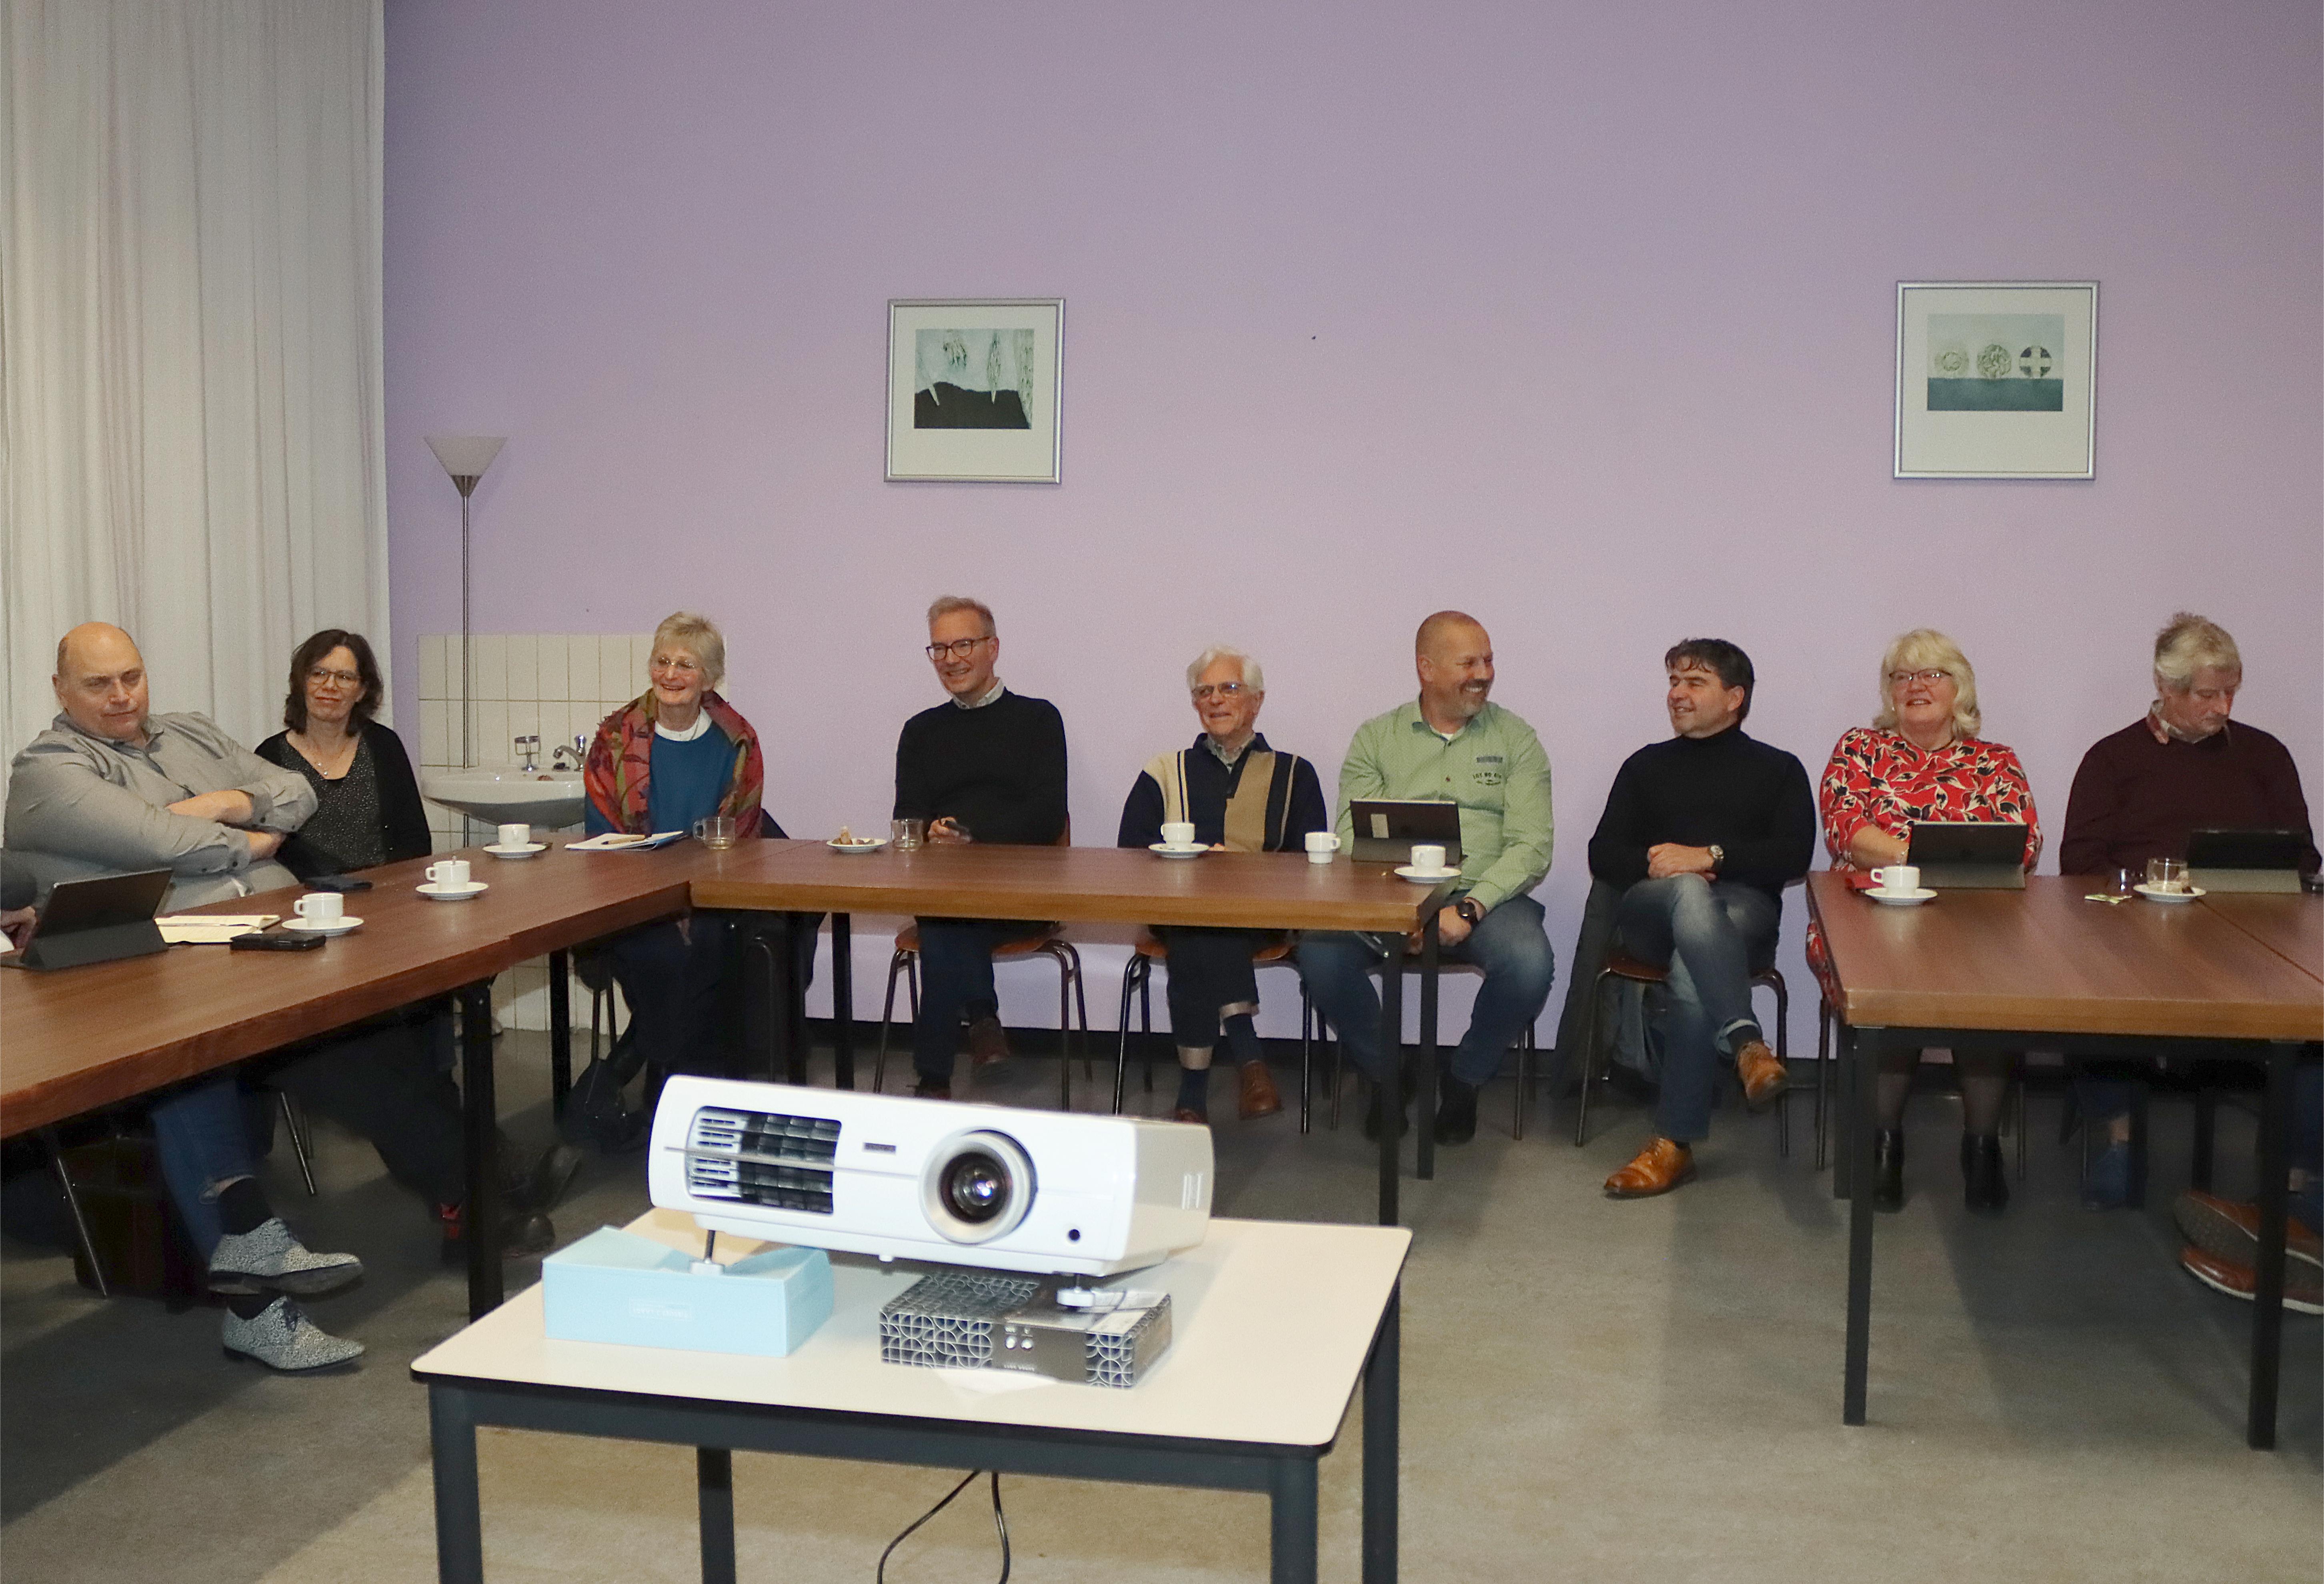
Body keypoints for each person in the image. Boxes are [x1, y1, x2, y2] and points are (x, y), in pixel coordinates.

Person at [4, 624, 555, 1368]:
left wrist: (222, 802)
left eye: (131, 676)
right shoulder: (48, 772)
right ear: (60, 689)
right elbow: (165, 843)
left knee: (379, 1049)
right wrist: (249, 828)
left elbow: (296, 791)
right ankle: (263, 1291)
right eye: (99, 683)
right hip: (150, 981)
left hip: (268, 949)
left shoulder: (191, 733)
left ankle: (480, 1189)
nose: (121, 695)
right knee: (190, 1071)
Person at [2061, 612, 2319, 1210]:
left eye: (2229, 692)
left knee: (2313, 1022)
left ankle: (2299, 1178)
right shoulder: (2112, 758)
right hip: (2138, 935)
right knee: (2091, 994)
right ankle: (2121, 1139)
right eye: (2206, 694)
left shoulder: (2265, 755)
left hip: (2249, 941)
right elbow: (2080, 861)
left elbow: (2305, 855)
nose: (2220, 707)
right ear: (2165, 686)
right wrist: (2150, 886)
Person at [1296, 612, 1556, 1145]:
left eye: (1488, 660)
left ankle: (1464, 1079)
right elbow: (1351, 835)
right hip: (1389, 895)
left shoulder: (1517, 739)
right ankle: (1386, 1074)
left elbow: (1532, 845)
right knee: (1319, 953)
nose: (1483, 673)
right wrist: (1402, 908)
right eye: (1468, 662)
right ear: (1426, 667)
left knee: (1529, 965)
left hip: (1487, 898)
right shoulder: (1376, 737)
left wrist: (1469, 907)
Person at [1812, 629, 2040, 1215]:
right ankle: (1883, 1143)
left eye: (1931, 674)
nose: (1916, 686)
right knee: (1891, 982)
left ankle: (1981, 1146)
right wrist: (1930, 858)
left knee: (1989, 992)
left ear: (1959, 688)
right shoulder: (1860, 748)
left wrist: (1924, 859)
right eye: (1903, 676)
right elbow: (1845, 828)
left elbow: (2023, 843)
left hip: (1974, 922)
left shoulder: (1994, 760)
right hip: (1870, 914)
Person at [1587, 640, 1814, 1198]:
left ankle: (1673, 1144)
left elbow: (1793, 854)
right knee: (1688, 892)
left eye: (1694, 682)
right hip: (1651, 911)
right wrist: (1661, 862)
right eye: (1673, 681)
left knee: (1693, 965)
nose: (1677, 693)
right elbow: (1602, 853)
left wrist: (1710, 856)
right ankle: (1745, 1040)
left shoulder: (1779, 769)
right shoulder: (1645, 765)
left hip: (1743, 915)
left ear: (1734, 697)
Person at [575, 611, 774, 1145]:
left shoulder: (737, 741)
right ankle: (674, 1093)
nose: (670, 673)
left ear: (710, 677)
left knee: (714, 948)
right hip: (633, 897)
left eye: (686, 664)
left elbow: (744, 833)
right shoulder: (614, 739)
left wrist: (695, 894)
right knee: (665, 957)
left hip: (712, 893)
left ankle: (653, 1082)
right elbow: (602, 837)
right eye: (662, 660)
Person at [1115, 645, 1329, 1123]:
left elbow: (1311, 865)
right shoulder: (1163, 771)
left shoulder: (1295, 773)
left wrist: (1244, 872)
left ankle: (1193, 1090)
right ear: (1195, 703)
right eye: (1204, 691)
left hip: (1261, 916)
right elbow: (1130, 853)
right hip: (1178, 912)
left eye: (1229, 688)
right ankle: (1250, 1059)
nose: (1215, 699)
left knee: (1205, 935)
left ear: (1256, 700)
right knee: (1200, 927)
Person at [893, 596, 1070, 1099]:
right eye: (940, 648)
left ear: (993, 648)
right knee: (948, 913)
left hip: (1020, 891)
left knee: (948, 922)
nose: (951, 659)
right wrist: (931, 832)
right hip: (945, 889)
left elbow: (1047, 816)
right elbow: (906, 817)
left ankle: (935, 1075)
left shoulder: (1038, 719)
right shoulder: (920, 731)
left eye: (963, 645)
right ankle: (984, 1021)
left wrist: (971, 831)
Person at [254, 629, 430, 879]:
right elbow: (262, 848)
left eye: (344, 677)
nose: (330, 686)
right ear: (301, 683)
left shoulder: (383, 745)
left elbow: (414, 839)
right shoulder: (270, 756)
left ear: (361, 691)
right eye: (318, 674)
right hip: (304, 895)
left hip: (382, 889)